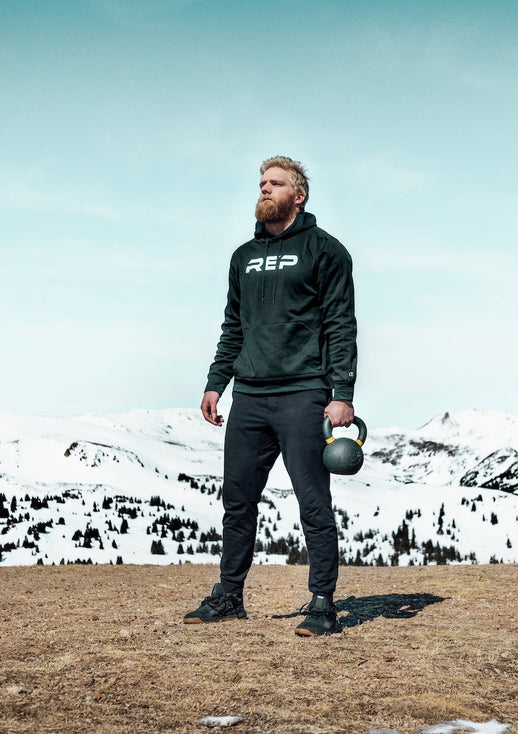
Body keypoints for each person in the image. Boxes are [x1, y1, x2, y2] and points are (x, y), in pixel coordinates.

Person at [185, 156, 357, 637]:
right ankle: (229, 596)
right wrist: (216, 381)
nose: (265, 189)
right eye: (261, 183)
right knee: (238, 503)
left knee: (313, 503)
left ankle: (322, 603)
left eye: (275, 183)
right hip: (251, 398)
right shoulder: (243, 256)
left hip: (303, 394)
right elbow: (233, 326)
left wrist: (341, 392)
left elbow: (342, 324)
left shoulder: (326, 251)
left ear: (298, 195)